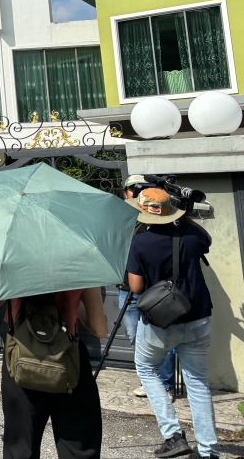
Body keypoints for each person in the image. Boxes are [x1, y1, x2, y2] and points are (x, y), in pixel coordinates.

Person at [126, 188, 218, 459]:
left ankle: (173, 435)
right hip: (197, 317)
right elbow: (207, 239)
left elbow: (136, 287)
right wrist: (184, 215)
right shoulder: (192, 235)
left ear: (142, 210)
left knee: (146, 368)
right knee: (198, 382)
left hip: (159, 323)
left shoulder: (140, 242)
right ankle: (209, 451)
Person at [0, 287, 108, 458]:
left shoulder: (13, 262)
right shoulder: (80, 263)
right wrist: (74, 303)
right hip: (68, 364)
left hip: (21, 362)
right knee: (78, 449)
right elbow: (100, 330)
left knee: (20, 450)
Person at [120, 176, 176, 398]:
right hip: (127, 288)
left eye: (140, 189)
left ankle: (166, 383)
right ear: (125, 192)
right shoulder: (124, 216)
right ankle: (149, 380)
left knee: (162, 338)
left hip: (157, 291)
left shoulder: (157, 214)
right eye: (132, 189)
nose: (135, 192)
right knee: (136, 337)